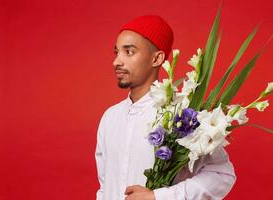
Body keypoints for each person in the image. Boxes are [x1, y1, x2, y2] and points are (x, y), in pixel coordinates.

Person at [95, 15, 236, 200]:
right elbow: (105, 187)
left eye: (129, 52)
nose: (117, 62)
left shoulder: (182, 115)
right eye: (117, 52)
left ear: (157, 58)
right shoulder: (110, 117)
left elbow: (221, 175)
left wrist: (158, 196)